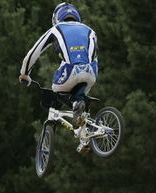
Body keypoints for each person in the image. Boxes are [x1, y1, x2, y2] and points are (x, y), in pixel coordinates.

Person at [19, 3, 98, 144]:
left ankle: (73, 106)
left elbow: (33, 54)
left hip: (71, 72)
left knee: (56, 88)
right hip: (91, 72)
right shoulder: (90, 30)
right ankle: (84, 126)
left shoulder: (56, 29)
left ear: (56, 18)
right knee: (80, 89)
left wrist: (25, 74)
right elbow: (93, 55)